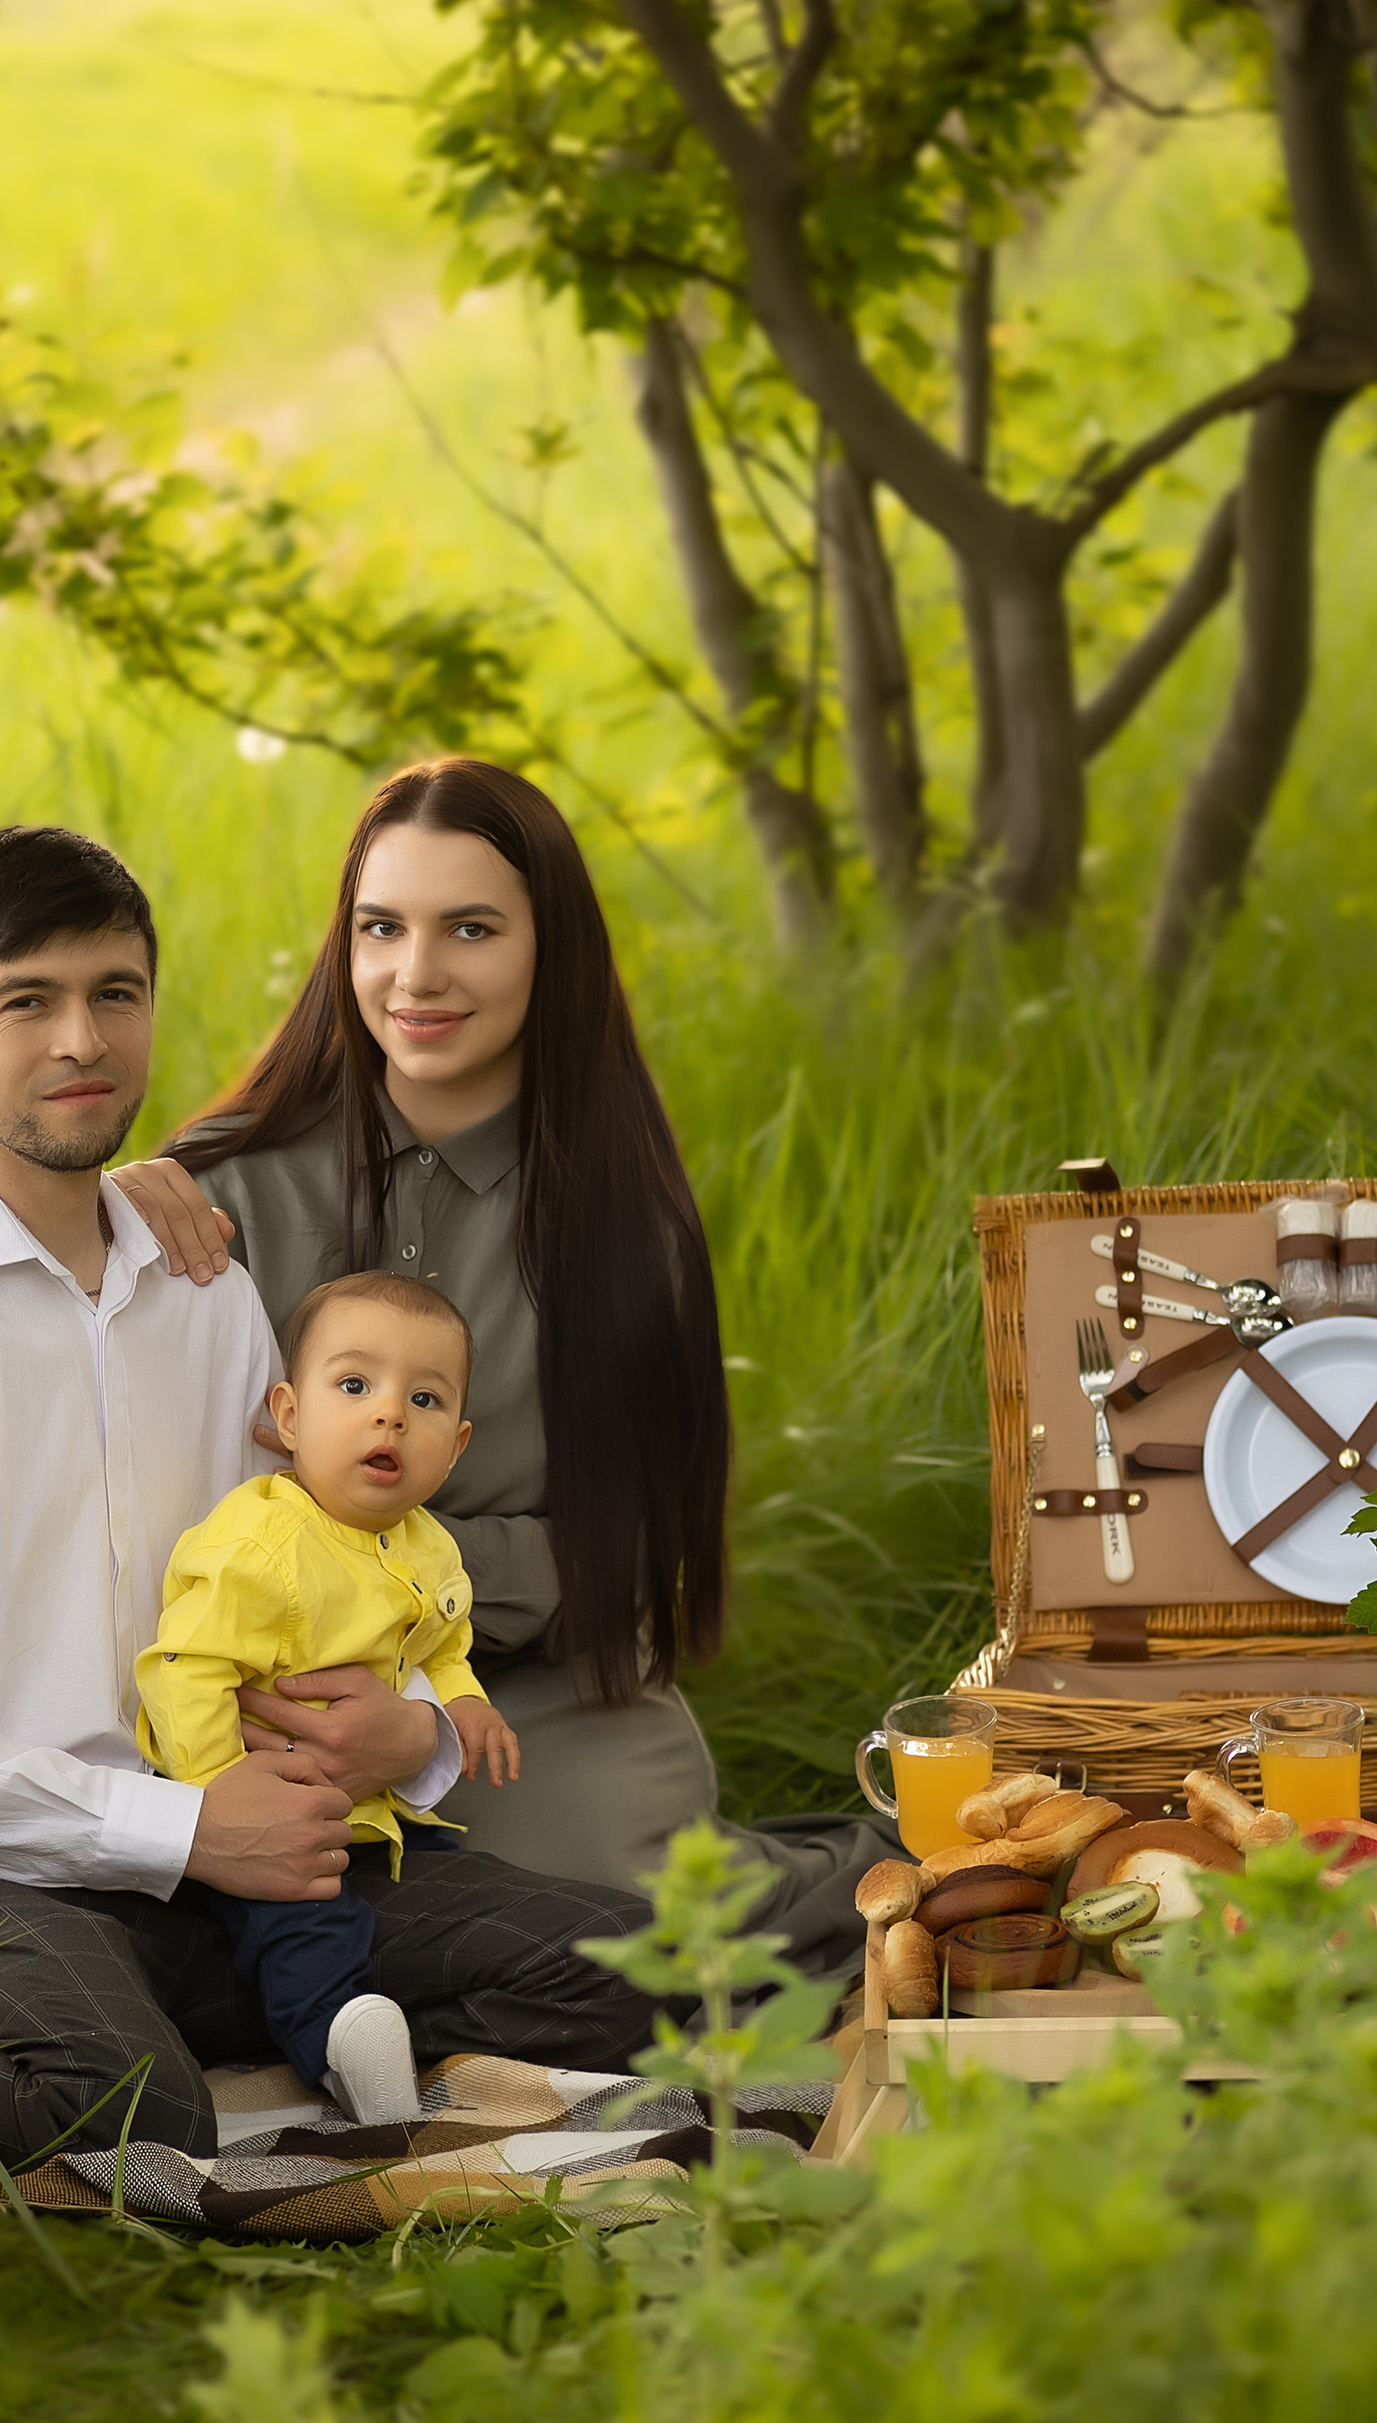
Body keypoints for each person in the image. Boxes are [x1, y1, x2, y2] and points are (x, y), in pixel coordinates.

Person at [0, 823, 662, 2188]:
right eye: (26, 1003)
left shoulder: (202, 1287)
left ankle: (209, 2017)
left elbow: (301, 1576)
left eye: (116, 994)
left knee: (633, 1978)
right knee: (139, 2116)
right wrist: (182, 1831)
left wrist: (406, 1737)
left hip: (229, 1855)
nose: (81, 1040)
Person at [118, 758, 868, 1967]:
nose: (416, 976)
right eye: (382, 928)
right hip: (255, 1689)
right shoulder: (223, 1189)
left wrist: (419, 1722)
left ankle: (895, 1867)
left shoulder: (624, 1228)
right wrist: (94, 1206)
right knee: (264, 1934)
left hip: (528, 1694)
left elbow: (618, 1553)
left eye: (470, 928)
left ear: (548, 949)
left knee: (642, 1946)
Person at [137, 1269, 519, 2127]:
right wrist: (215, 1788)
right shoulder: (262, 1543)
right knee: (305, 1924)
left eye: (423, 1400)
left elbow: (444, 1644)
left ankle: (393, 2024)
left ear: (454, 1447)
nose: (389, 1414)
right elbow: (182, 1666)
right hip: (257, 1817)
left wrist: (464, 1709)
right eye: (355, 1386)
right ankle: (345, 2050)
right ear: (290, 1416)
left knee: (442, 1900)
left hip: (377, 1818)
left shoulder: (428, 1548)